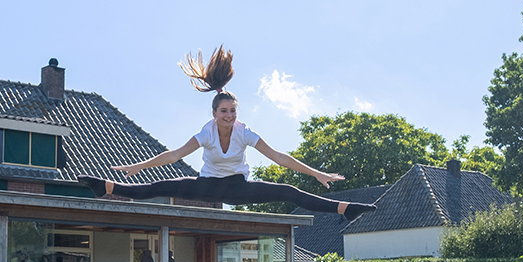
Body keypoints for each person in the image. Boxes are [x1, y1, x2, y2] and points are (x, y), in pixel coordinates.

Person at [77, 46, 377, 221]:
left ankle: (345, 209)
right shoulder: (206, 132)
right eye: (224, 112)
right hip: (206, 186)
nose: (230, 116)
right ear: (214, 114)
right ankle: (107, 186)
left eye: (233, 112)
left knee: (287, 191)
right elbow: (175, 155)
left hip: (238, 188)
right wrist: (136, 166)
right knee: (163, 185)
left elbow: (278, 157)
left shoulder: (243, 132)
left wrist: (316, 173)